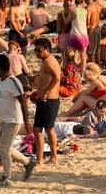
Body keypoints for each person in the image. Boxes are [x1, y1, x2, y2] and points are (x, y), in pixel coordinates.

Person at [0, 54, 36, 187]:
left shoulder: (13, 81)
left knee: (4, 148)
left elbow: (23, 101)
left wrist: (27, 121)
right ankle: (28, 162)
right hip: (3, 120)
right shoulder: (0, 82)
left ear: (0, 68)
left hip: (13, 120)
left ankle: (6, 177)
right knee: (4, 147)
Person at [32, 37, 61, 165]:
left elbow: (57, 78)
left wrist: (45, 91)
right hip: (45, 100)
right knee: (38, 129)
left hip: (49, 101)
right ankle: (41, 158)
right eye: (35, 50)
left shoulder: (49, 61)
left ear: (46, 49)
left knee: (48, 129)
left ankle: (51, 157)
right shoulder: (47, 60)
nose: (37, 53)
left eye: (39, 50)